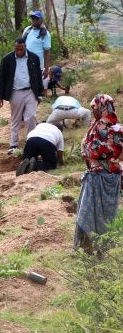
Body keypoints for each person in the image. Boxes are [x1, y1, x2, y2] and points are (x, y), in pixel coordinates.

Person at [74, 94, 122, 253]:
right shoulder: (96, 126)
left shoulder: (114, 129)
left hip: (105, 178)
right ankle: (89, 250)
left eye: (95, 108)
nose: (93, 111)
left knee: (105, 217)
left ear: (103, 108)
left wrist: (90, 150)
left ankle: (101, 250)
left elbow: (96, 150)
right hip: (95, 177)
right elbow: (90, 148)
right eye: (92, 108)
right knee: (87, 214)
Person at [0, 37, 43, 154]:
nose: (19, 52)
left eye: (21, 49)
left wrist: (39, 93)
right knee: (16, 118)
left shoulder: (34, 58)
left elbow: (38, 76)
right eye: (17, 49)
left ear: (25, 47)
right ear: (14, 47)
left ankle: (32, 141)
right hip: (15, 92)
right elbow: (1, 77)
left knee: (31, 116)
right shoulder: (7, 59)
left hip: (30, 92)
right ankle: (13, 145)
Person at [23, 11, 51, 80]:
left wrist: (46, 69)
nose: (34, 20)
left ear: (41, 20)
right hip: (25, 62)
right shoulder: (27, 30)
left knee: (36, 86)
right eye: (32, 18)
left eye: (36, 18)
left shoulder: (44, 33)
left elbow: (47, 52)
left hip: (37, 65)